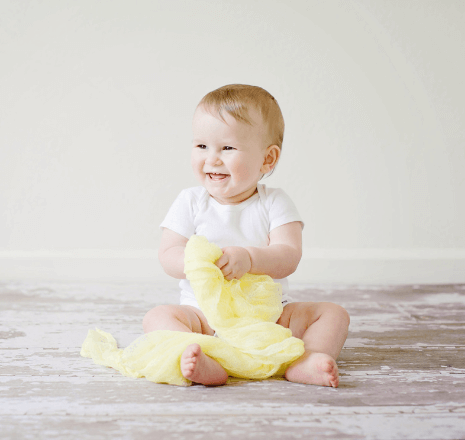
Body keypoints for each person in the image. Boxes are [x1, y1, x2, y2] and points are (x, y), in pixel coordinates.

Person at [143, 84, 350, 387]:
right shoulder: (189, 202)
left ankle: (308, 359)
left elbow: (289, 255)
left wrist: (250, 258)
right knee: (157, 317)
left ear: (267, 159)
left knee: (334, 314)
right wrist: (198, 264)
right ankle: (205, 358)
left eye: (227, 148)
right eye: (201, 146)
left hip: (269, 318)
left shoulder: (274, 202)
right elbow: (168, 253)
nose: (212, 158)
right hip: (203, 316)